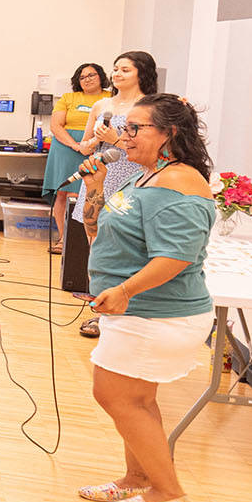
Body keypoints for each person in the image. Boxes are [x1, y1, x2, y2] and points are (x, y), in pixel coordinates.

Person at [75, 94, 216, 502]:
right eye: (125, 127)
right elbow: (101, 231)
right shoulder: (148, 176)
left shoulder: (180, 183)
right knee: (138, 400)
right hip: (137, 312)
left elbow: (177, 256)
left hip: (158, 313)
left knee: (116, 395)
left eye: (136, 129)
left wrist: (126, 290)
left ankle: (168, 492)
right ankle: (136, 480)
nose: (124, 136)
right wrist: (96, 189)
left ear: (169, 134)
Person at [79, 51, 160, 336]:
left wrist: (116, 139)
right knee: (96, 245)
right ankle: (98, 311)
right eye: (115, 69)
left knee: (126, 244)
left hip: (130, 176)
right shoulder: (102, 104)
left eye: (125, 69)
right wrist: (94, 140)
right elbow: (85, 145)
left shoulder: (149, 107)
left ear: (142, 74)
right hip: (99, 175)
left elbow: (153, 151)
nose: (117, 74)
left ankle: (127, 305)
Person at [42, 62, 112, 254]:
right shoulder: (68, 97)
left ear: (101, 77)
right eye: (82, 77)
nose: (87, 79)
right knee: (63, 193)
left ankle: (83, 241)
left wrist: (90, 145)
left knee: (84, 193)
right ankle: (64, 239)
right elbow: (56, 126)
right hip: (65, 147)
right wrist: (76, 146)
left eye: (91, 75)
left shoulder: (110, 98)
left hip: (97, 148)